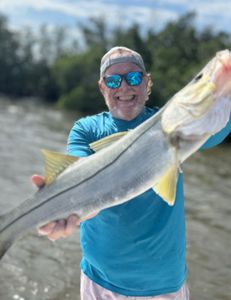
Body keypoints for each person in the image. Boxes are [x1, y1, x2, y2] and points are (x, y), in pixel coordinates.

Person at [32, 46, 231, 299]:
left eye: (134, 78)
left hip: (165, 285)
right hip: (100, 282)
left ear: (147, 83)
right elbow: (77, 180)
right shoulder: (86, 130)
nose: (124, 87)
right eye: (113, 80)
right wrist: (65, 212)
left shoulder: (178, 125)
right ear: (102, 87)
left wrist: (223, 86)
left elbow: (218, 122)